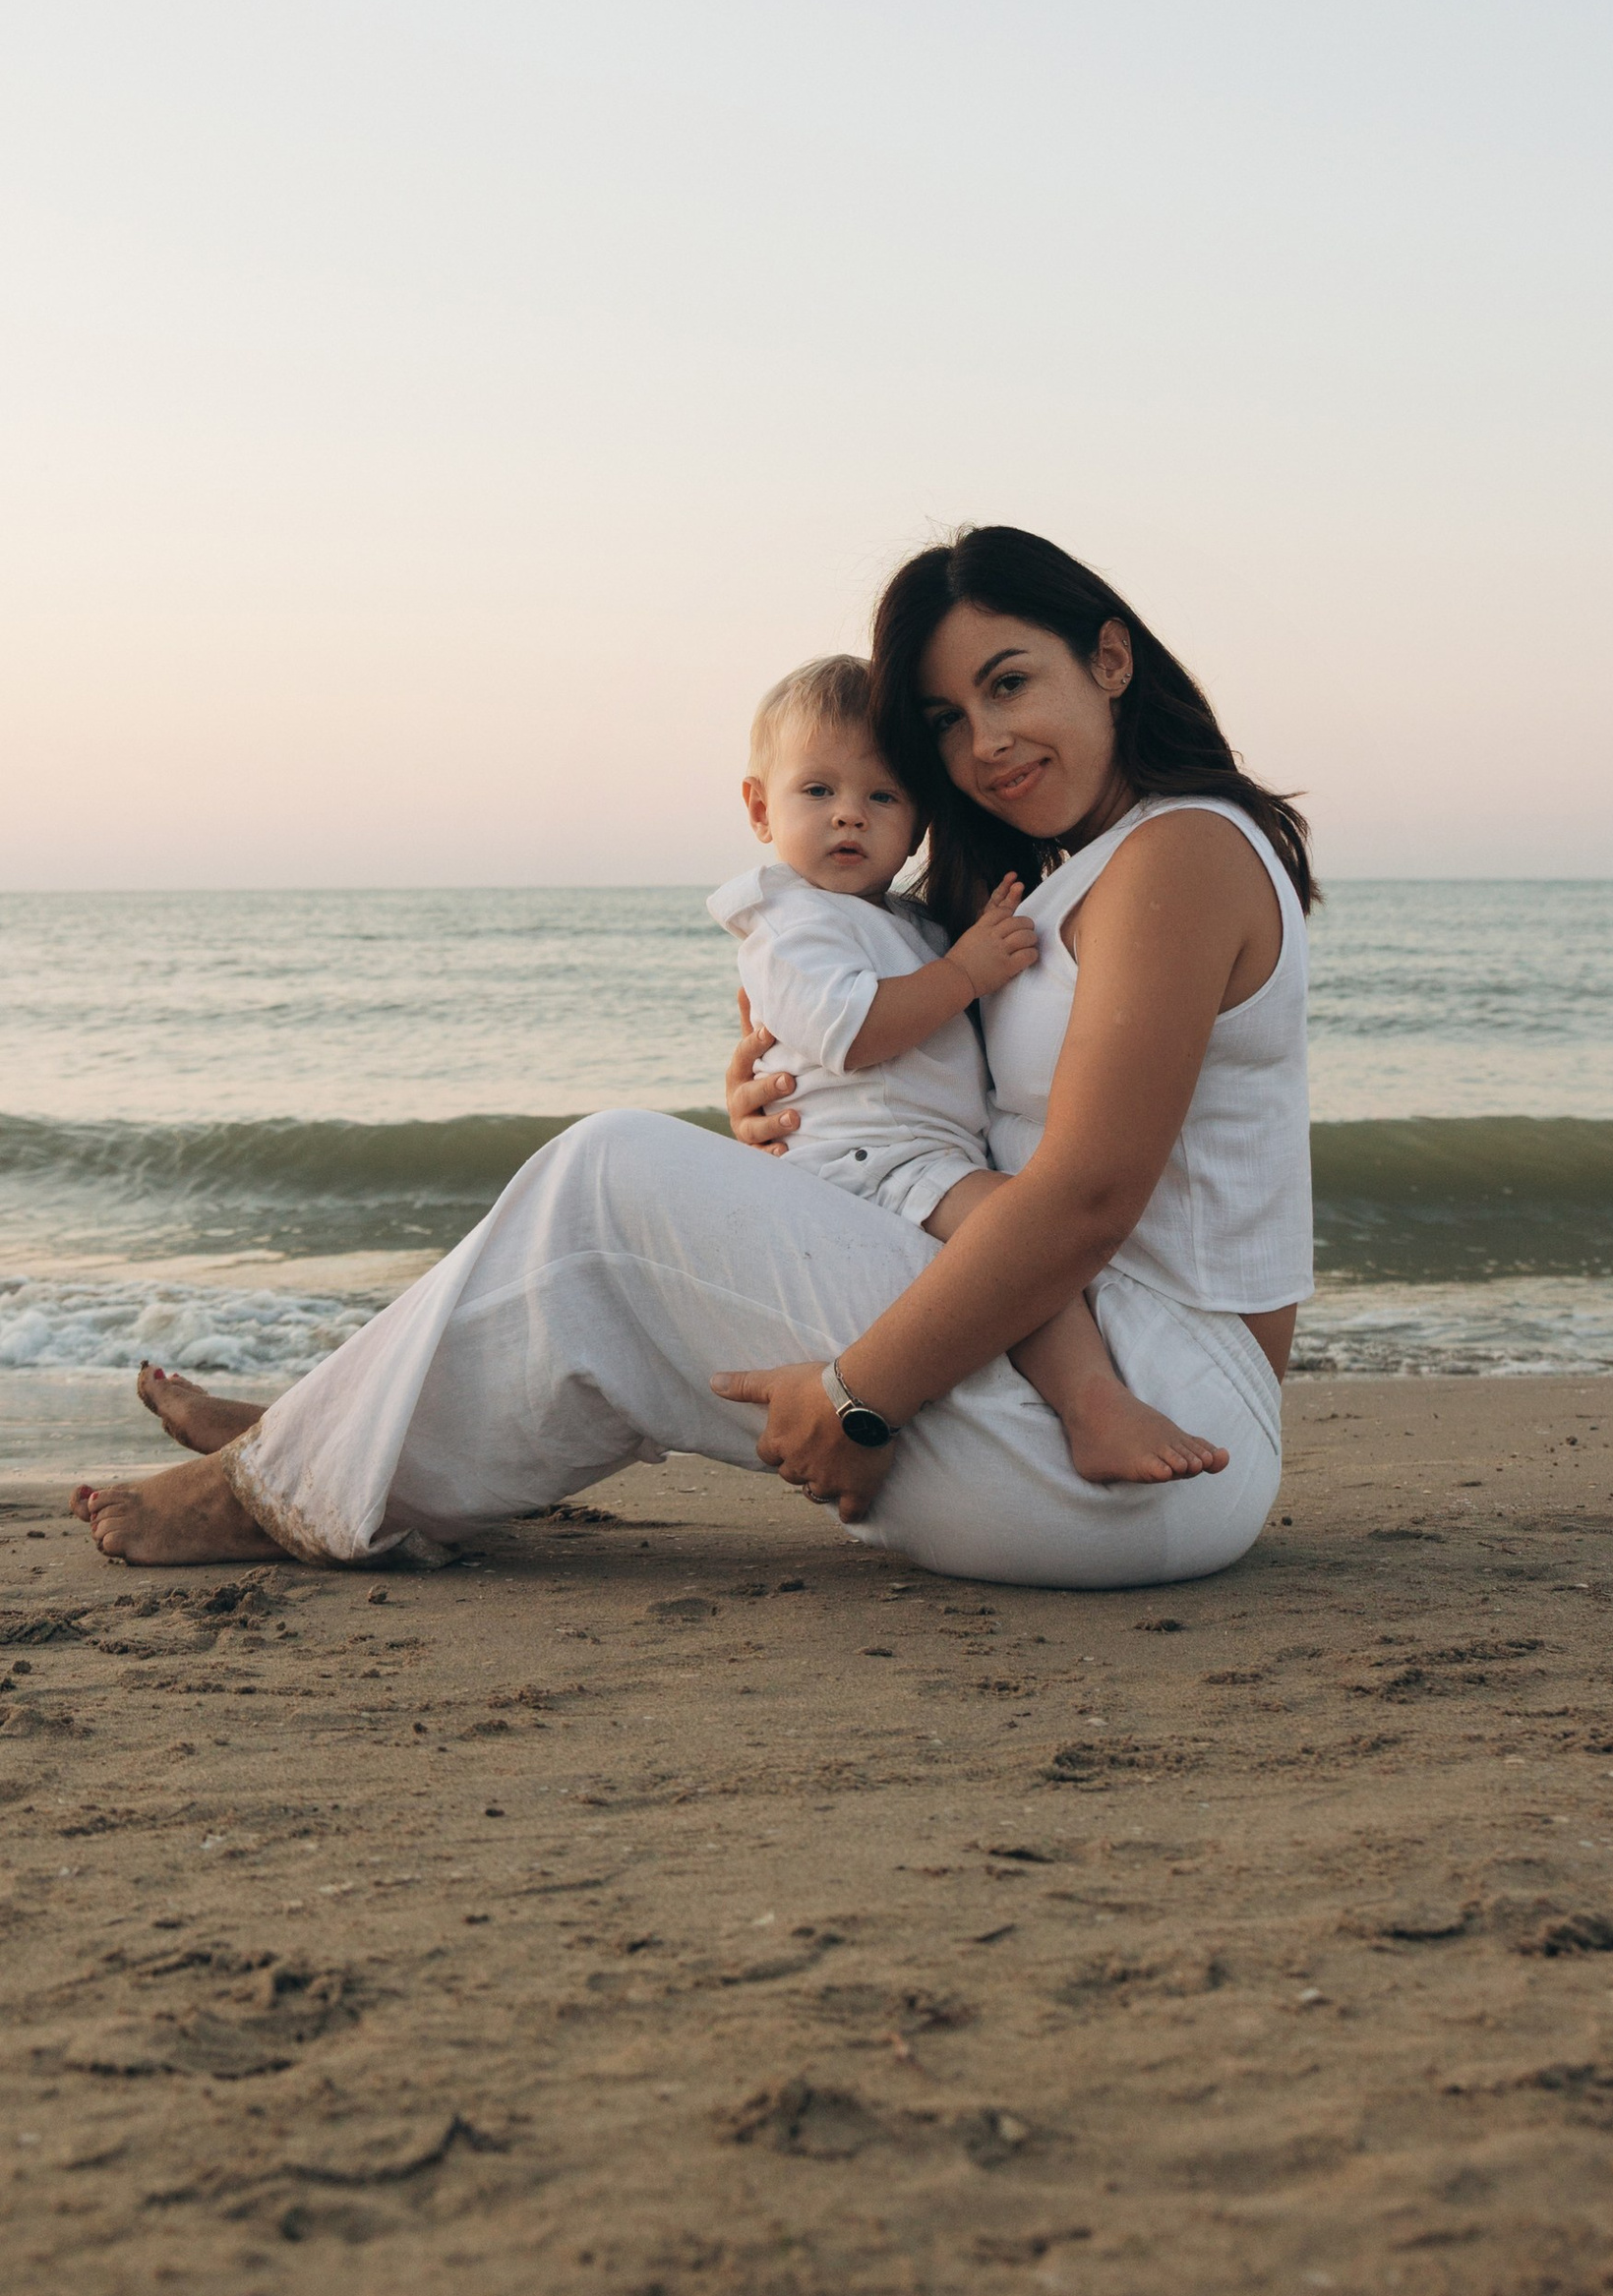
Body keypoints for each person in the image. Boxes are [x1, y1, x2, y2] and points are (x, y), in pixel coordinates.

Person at [80, 523, 1313, 1591]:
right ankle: (327, 1439)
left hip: (1150, 1421)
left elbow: (1086, 1195)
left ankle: (286, 1479)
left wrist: (858, 1397)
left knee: (610, 1175)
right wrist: (786, 1111)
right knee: (618, 1240)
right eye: (945, 719)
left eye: (1010, 683)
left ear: (1109, 659)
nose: (983, 742)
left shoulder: (1179, 854)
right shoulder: (1060, 884)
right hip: (1075, 1381)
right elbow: (974, 1108)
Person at [710, 649, 1225, 1484]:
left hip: (909, 1155)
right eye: (819, 791)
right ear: (761, 809)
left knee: (1013, 1238)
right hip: (868, 1162)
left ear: (918, 822)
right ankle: (1091, 1402)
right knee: (1018, 1231)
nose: (849, 816)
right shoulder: (789, 919)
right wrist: (965, 973)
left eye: (882, 797)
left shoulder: (902, 922)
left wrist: (967, 957)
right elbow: (857, 1030)